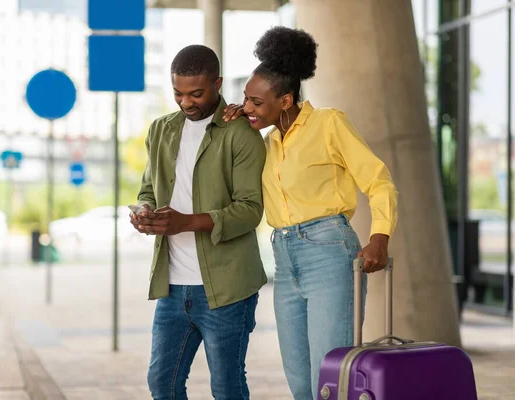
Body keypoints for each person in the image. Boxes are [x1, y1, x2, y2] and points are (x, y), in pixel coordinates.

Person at [223, 27, 398, 399]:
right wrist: (236, 126)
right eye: (245, 99)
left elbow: (378, 180)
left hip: (329, 252)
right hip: (284, 260)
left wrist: (379, 237)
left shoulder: (328, 123)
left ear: (285, 100)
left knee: (330, 379)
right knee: (301, 382)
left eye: (256, 101)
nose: (248, 107)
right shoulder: (266, 141)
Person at [129, 44, 268, 400]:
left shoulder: (241, 133)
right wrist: (144, 211)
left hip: (226, 288)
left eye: (196, 93)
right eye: (178, 93)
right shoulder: (161, 130)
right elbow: (148, 188)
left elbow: (251, 209)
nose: (186, 102)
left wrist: (185, 222)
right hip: (172, 287)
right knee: (163, 383)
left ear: (218, 84)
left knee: (226, 387)